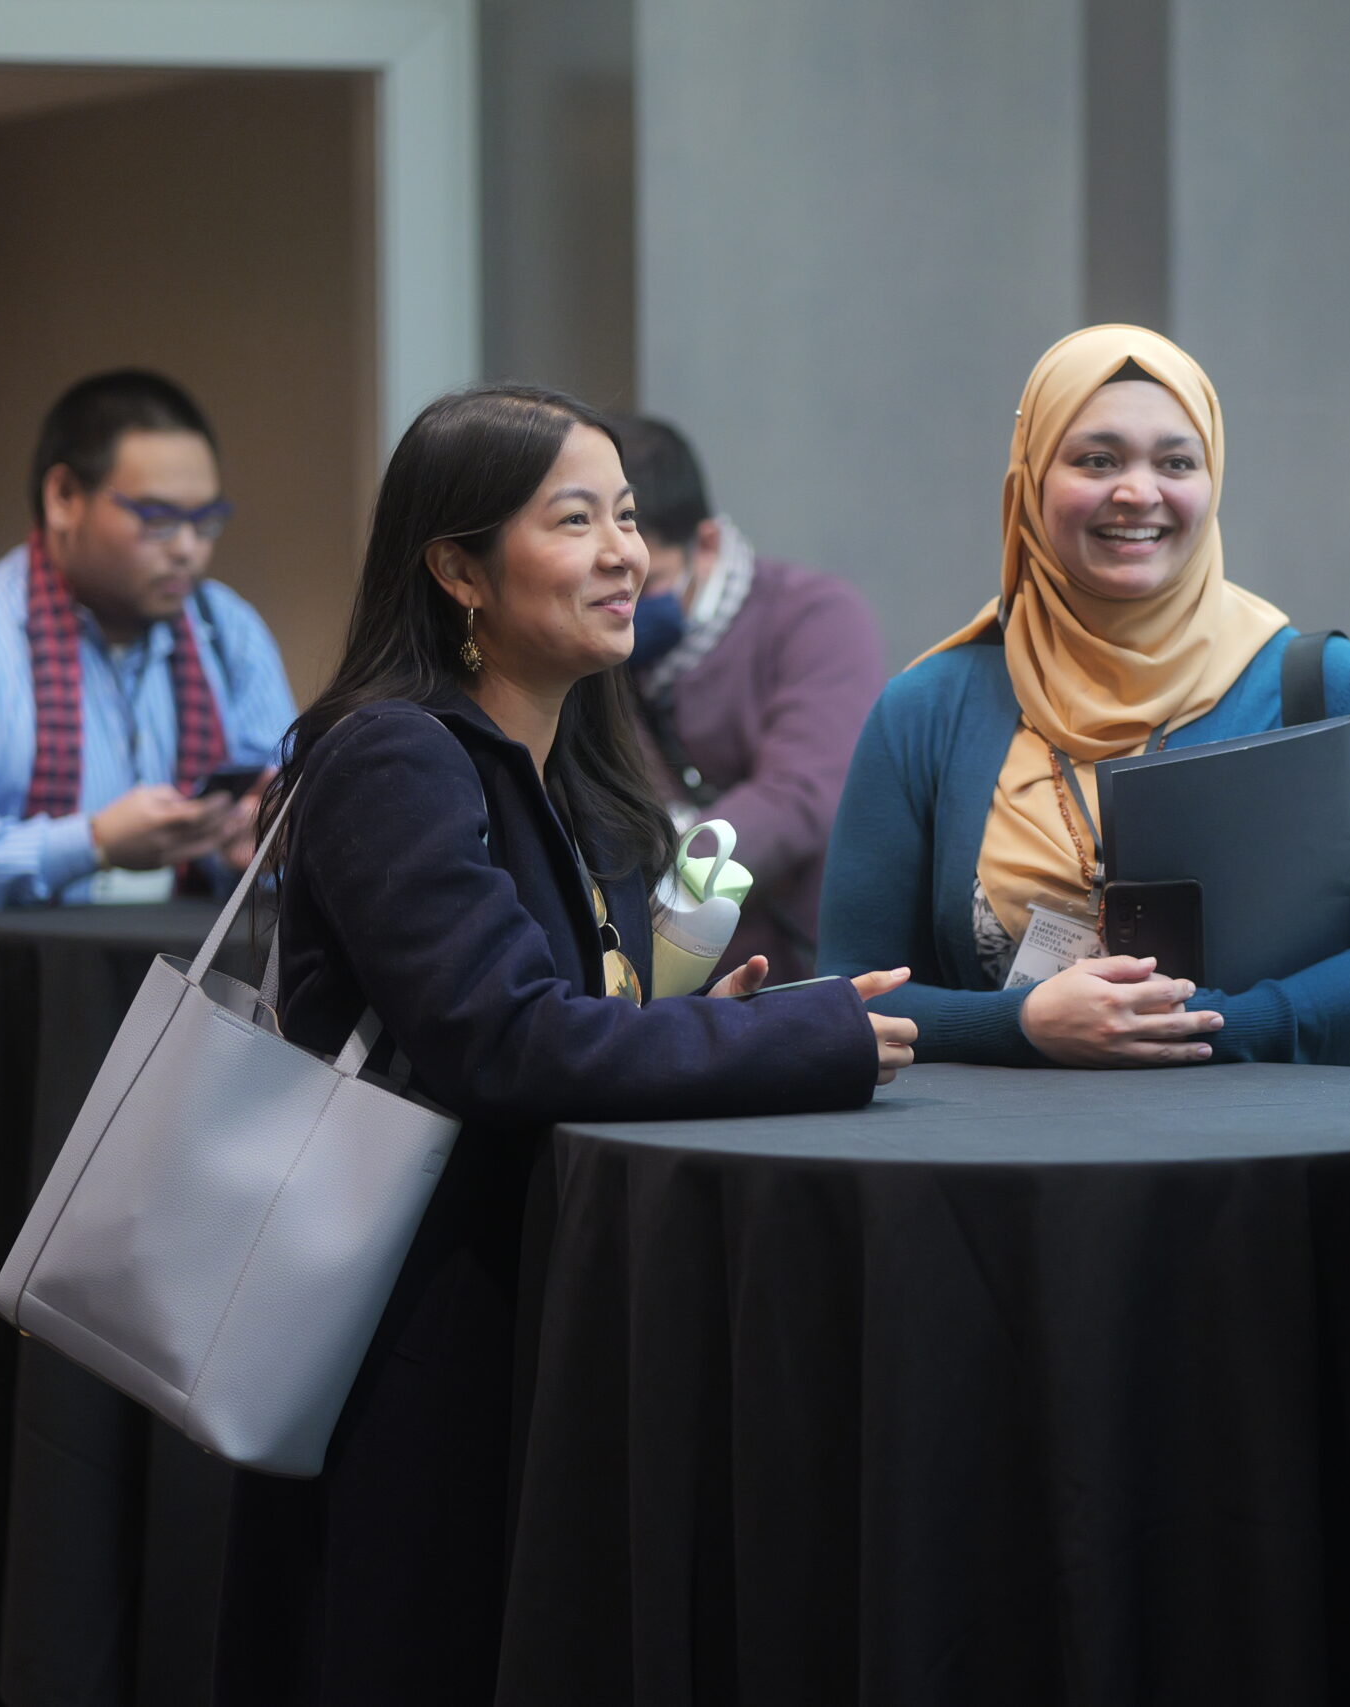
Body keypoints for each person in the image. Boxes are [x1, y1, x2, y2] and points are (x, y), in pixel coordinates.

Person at [215, 383, 915, 1707]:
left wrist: (722, 1020)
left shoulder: (543, 758)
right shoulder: (395, 755)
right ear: (458, 569)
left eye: (631, 518)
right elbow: (502, 1045)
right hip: (399, 1332)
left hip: (511, 1302)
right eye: (575, 518)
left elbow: (555, 1012)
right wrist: (796, 1042)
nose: (624, 553)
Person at [0, 368, 295, 1704]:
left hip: (190, 1061)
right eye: (156, 514)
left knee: (170, 1363)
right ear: (61, 496)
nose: (190, 546)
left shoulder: (227, 633)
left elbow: (283, 793)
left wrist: (240, 832)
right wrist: (87, 840)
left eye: (207, 515)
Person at [818, 324, 1350, 1066]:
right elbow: (851, 989)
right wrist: (1020, 1024)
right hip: (1001, 1168)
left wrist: (1219, 1026)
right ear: (1031, 478)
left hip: (1275, 1167)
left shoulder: (1322, 686)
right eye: (1096, 459)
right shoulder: (928, 710)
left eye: (1176, 460)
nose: (1138, 491)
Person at [608, 414, 885, 979]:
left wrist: (670, 880)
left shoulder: (815, 616)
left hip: (791, 966)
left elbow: (801, 794)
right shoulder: (602, 645)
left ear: (705, 542)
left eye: (652, 585)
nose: (629, 608)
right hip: (656, 983)